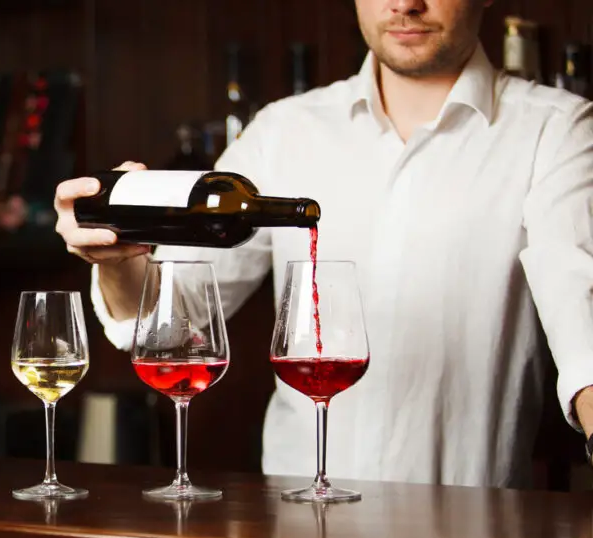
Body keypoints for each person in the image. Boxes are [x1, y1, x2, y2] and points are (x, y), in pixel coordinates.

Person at [53, 0, 593, 488]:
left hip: (471, 529)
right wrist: (119, 260)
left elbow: (581, 314)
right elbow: (173, 320)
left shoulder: (556, 130)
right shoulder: (284, 130)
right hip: (298, 529)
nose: (405, 4)